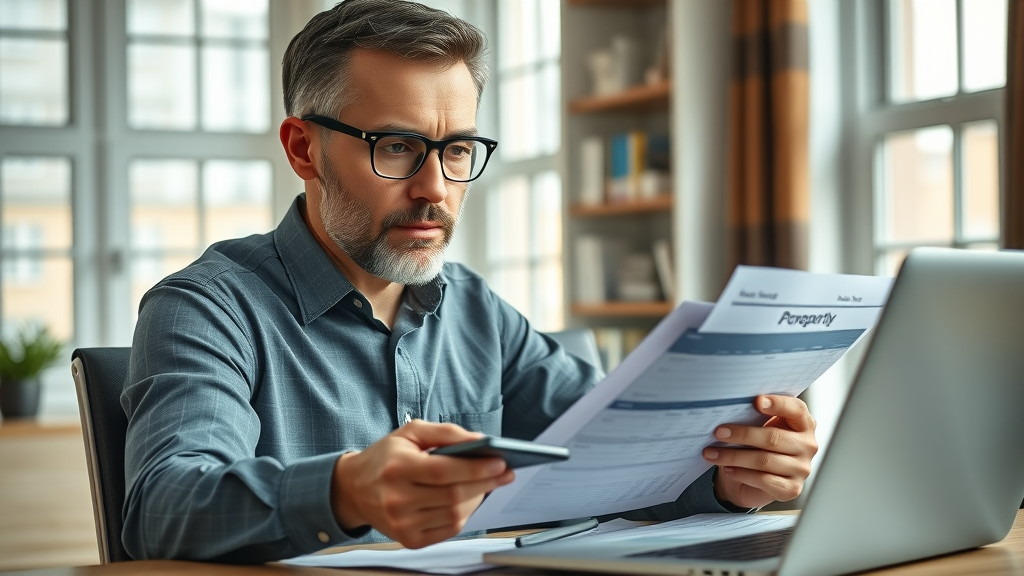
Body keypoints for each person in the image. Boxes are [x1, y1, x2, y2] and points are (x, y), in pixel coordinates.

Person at [121, 0, 818, 563]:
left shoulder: (477, 310)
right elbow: (162, 509)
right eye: (396, 147)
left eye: (456, 150)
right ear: (305, 149)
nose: (435, 189)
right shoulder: (204, 307)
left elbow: (614, 460)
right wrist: (345, 490)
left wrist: (731, 479)